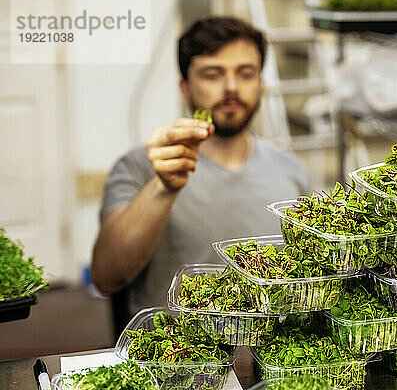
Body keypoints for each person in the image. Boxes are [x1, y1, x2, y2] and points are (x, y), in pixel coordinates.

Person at [91, 17, 311, 318]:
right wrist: (164, 186)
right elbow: (106, 277)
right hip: (174, 355)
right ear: (185, 88)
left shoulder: (291, 171)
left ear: (261, 83)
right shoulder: (140, 167)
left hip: (270, 357)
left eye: (245, 73)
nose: (231, 87)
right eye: (212, 74)